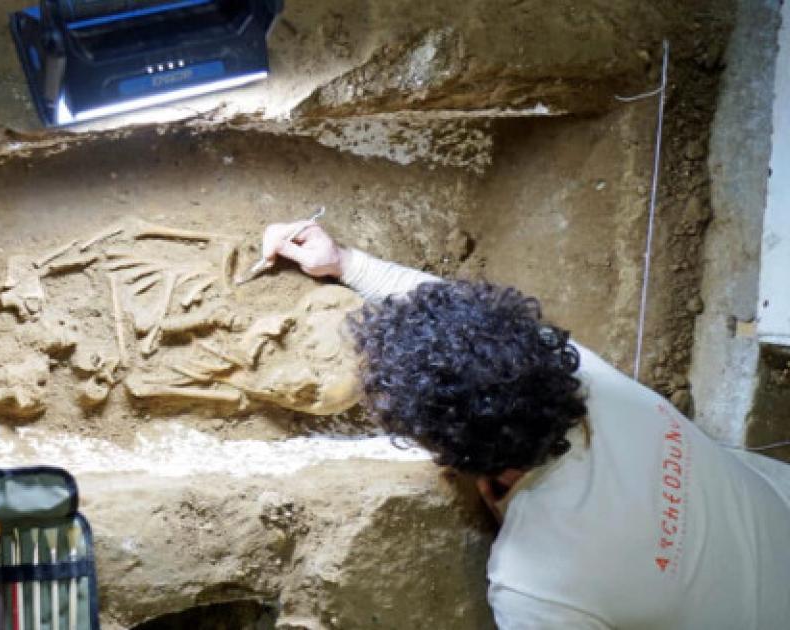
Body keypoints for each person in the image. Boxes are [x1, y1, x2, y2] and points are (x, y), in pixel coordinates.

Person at [261, 220, 790, 629]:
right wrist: (347, 263)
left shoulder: (535, 585)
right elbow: (461, 321)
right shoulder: (584, 377)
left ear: (453, 455)